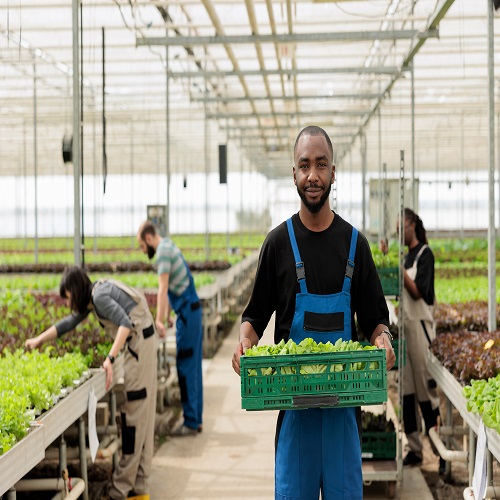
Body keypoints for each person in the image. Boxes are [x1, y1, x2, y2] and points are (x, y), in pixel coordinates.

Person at [231, 125, 395, 500]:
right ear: (294, 174)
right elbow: (254, 316)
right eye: (304, 165)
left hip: (344, 415)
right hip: (294, 413)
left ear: (333, 172)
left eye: (321, 165)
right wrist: (243, 342)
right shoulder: (277, 243)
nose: (313, 176)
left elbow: (375, 321)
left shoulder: (356, 244)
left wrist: (382, 339)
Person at [25, 266, 157, 500]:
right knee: (142, 416)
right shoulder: (97, 292)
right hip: (144, 344)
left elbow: (125, 324)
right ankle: (140, 488)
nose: (68, 303)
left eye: (68, 297)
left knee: (134, 419)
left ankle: (119, 492)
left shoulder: (99, 297)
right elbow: (68, 323)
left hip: (139, 349)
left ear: (75, 291)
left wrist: (110, 359)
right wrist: (39, 340)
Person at [383, 208, 443, 470]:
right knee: (406, 390)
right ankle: (415, 449)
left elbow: (419, 293)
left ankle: (440, 452)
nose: (398, 232)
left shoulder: (424, 255)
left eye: (400, 227)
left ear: (411, 225)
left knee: (425, 390)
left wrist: (399, 269)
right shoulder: (407, 257)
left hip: (420, 329)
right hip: (405, 329)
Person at [137, 220, 203, 437]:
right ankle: (195, 419)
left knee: (185, 366)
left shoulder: (162, 252)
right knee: (192, 366)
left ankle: (191, 423)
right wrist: (167, 317)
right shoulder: (168, 244)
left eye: (141, 245)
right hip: (188, 313)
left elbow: (163, 288)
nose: (143, 250)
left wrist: (160, 321)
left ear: (148, 238)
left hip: (188, 314)